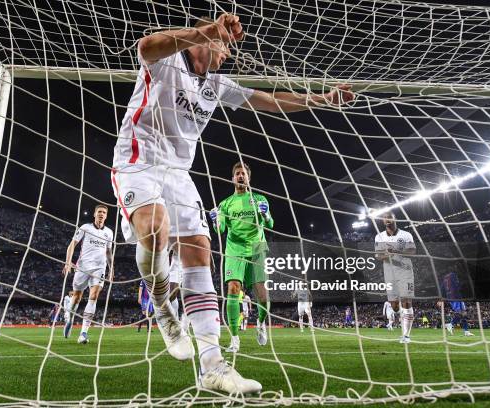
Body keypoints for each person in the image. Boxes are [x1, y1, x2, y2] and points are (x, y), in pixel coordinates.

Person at [110, 13, 354, 394]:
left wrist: (322, 99)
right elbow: (145, 45)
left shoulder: (218, 84)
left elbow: (270, 101)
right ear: (203, 40)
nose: (227, 54)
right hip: (137, 163)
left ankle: (213, 367)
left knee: (200, 251)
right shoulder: (167, 61)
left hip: (178, 173)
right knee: (156, 231)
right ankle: (162, 307)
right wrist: (205, 30)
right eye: (223, 45)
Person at [211, 162, 273, 353]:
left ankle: (261, 324)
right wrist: (215, 220)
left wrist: (266, 214)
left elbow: (270, 224)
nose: (240, 176)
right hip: (235, 249)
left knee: (262, 295)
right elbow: (220, 230)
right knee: (233, 288)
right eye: (237, 173)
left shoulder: (259, 199)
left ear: (248, 178)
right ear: (233, 178)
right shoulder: (226, 204)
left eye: (243, 173)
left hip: (256, 247)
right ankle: (235, 339)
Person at [62, 205, 114, 344]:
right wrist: (68, 262)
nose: (101, 214)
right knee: (77, 297)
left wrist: (111, 268)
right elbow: (72, 244)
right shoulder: (85, 227)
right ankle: (70, 317)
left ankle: (83, 333)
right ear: (94, 214)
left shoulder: (109, 233)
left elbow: (109, 252)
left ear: (106, 216)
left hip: (99, 268)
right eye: (99, 212)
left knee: (94, 296)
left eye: (104, 212)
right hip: (83, 267)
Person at [375, 211, 416, 344]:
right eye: (384, 218)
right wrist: (388, 254)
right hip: (389, 272)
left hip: (405, 271)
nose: (387, 219)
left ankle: (406, 336)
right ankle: (397, 313)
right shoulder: (379, 237)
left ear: (394, 219)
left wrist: (397, 251)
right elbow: (378, 255)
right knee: (395, 306)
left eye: (389, 217)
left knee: (406, 301)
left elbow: (412, 251)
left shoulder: (406, 235)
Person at [438, 271, 474, 336]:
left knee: (463, 314)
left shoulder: (445, 278)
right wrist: (463, 283)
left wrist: (440, 299)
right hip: (456, 297)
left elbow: (442, 289)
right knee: (462, 313)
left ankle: (466, 331)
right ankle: (451, 324)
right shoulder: (453, 275)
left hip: (450, 298)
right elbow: (457, 286)